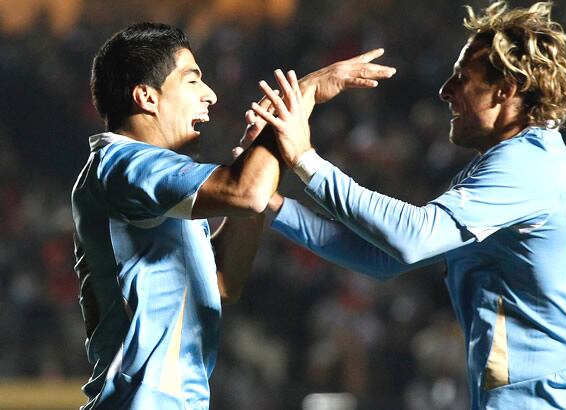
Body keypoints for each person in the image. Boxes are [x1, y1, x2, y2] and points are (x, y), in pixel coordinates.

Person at [250, 1, 566, 408]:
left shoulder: (526, 166)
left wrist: (305, 159)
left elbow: (412, 237)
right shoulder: (524, 164)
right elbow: (383, 258)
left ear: (506, 89)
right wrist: (272, 204)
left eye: (462, 78)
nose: (445, 91)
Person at [71, 22, 395, 409]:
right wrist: (302, 94)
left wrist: (256, 157)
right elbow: (248, 192)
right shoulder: (123, 164)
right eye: (192, 81)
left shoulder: (153, 183)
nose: (210, 95)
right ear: (147, 97)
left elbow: (223, 281)